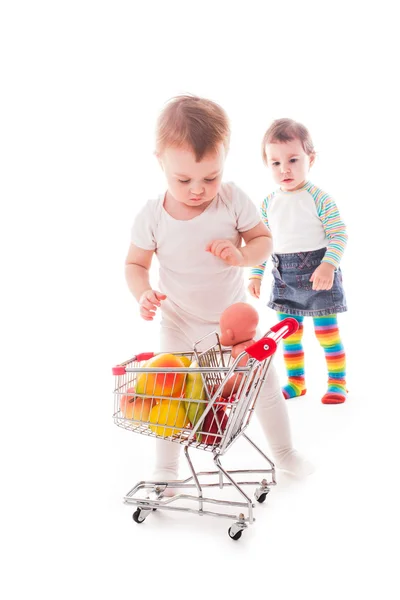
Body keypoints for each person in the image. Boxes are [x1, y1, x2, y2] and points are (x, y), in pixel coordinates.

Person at [125, 96, 312, 492]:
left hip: (233, 324)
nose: (198, 190)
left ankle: (284, 453)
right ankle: (166, 467)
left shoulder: (231, 199)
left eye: (210, 177)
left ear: (225, 159)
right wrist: (142, 292)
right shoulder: (152, 214)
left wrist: (243, 255)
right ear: (160, 161)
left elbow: (263, 239)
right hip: (178, 323)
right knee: (171, 393)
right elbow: (135, 264)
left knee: (261, 382)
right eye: (184, 180)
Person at [248, 118, 348, 404]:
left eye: (293, 159)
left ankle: (337, 383)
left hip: (319, 275)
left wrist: (328, 264)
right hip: (284, 280)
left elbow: (339, 233)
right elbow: (262, 243)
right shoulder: (268, 203)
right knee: (289, 335)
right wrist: (256, 274)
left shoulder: (319, 198)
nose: (285, 169)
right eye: (275, 163)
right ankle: (296, 381)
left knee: (327, 334)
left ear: (311, 159)